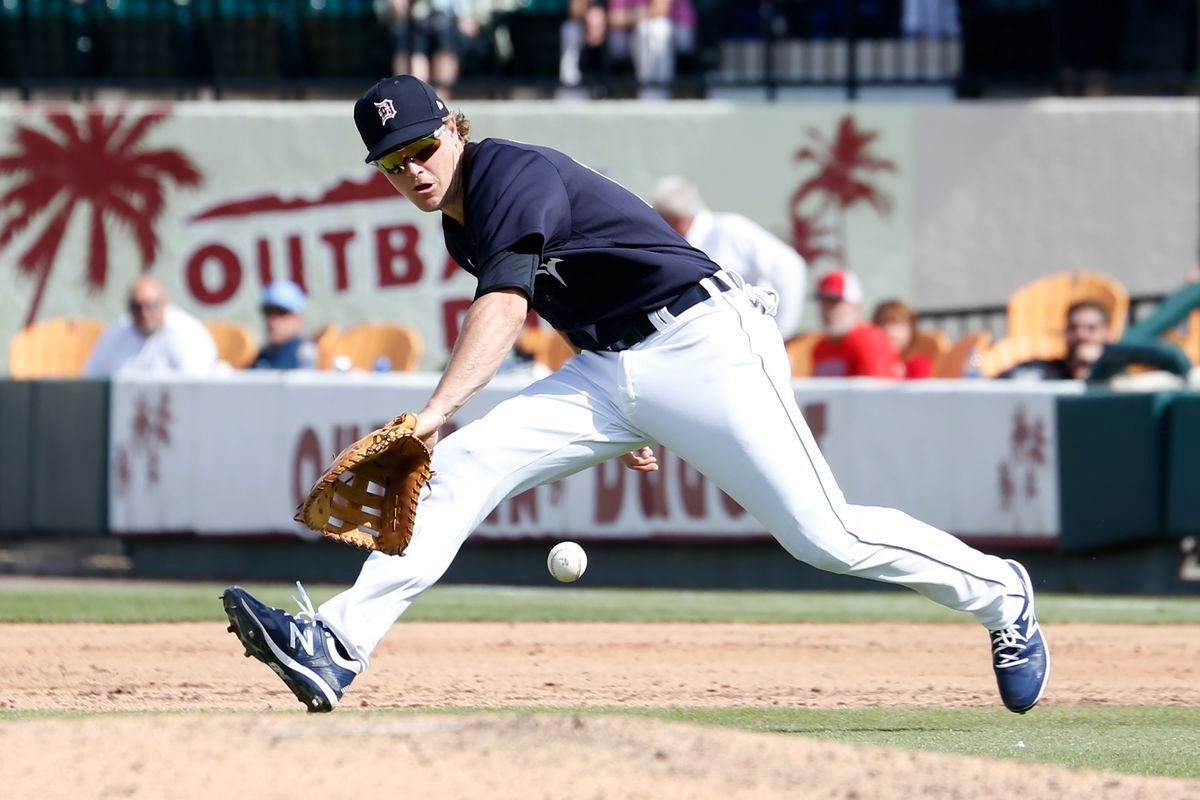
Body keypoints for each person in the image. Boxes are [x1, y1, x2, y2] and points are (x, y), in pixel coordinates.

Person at [221, 75, 1048, 717]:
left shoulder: (507, 172)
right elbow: (566, 291)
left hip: (705, 343)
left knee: (823, 535)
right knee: (464, 468)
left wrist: (433, 414)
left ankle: (1001, 593)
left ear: (453, 126)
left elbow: (506, 308)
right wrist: (621, 407)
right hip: (613, 368)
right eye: (393, 163)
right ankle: (336, 642)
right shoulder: (459, 223)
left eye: (420, 148)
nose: (413, 170)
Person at [650, 174, 807, 337]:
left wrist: (781, 333)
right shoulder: (685, 245)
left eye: (661, 220)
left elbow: (790, 267)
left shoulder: (730, 230)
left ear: (678, 219)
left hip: (749, 342)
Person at [84, 276, 216, 377]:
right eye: (137, 307)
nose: (144, 314)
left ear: (165, 303)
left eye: (151, 306)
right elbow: (94, 375)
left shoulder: (188, 333)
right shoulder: (116, 332)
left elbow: (196, 383)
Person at [811, 270, 902, 378]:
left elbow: (873, 391)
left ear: (855, 304)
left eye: (835, 302)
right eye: (823, 301)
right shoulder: (821, 347)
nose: (828, 310)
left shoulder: (869, 341)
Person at [1001, 300, 1113, 381]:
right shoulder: (1045, 372)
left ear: (1106, 332)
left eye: (1091, 328)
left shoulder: (1116, 376)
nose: (1080, 335)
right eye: (1073, 328)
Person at [251, 280, 317, 370]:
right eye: (268, 312)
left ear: (298, 318)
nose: (273, 321)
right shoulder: (261, 357)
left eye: (281, 313)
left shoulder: (307, 355)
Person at [872, 299, 933, 379]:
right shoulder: (873, 363)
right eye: (883, 323)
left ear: (911, 329)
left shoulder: (918, 365)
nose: (890, 330)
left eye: (897, 323)